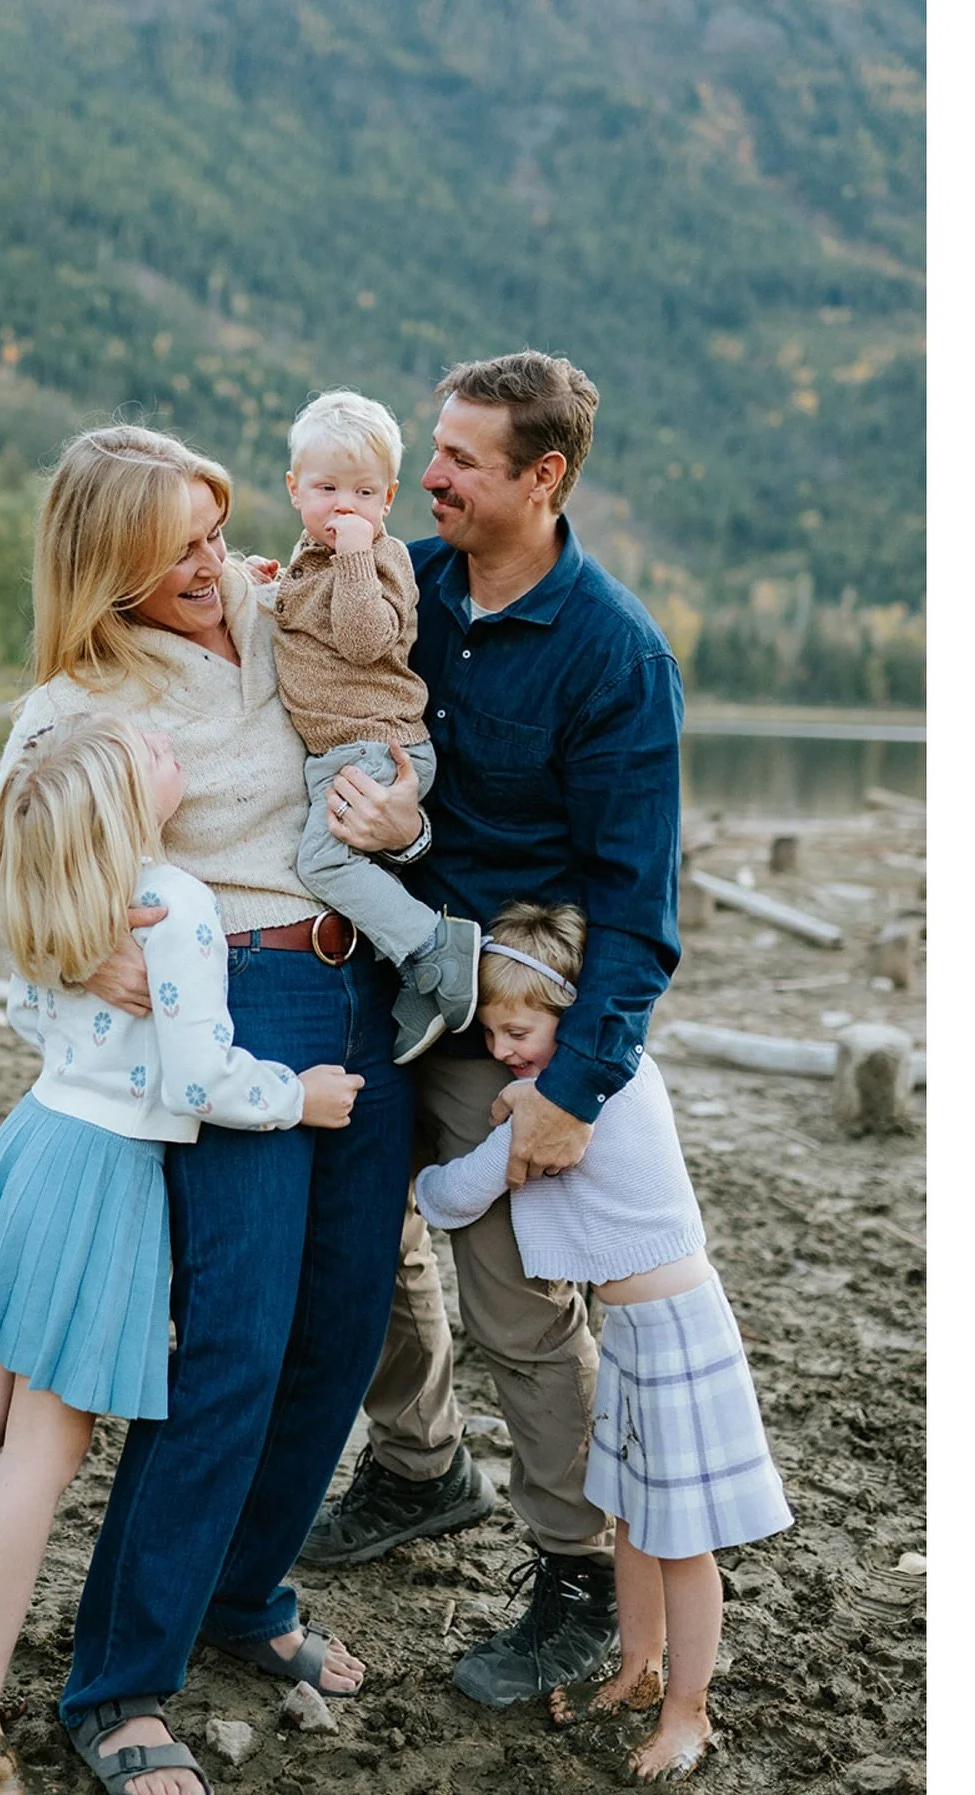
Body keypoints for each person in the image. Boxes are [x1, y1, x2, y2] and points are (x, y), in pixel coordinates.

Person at [0, 427, 416, 1795]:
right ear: (110, 570)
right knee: (231, 1343)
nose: (213, 565)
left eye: (215, 531)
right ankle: (120, 1682)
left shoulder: (283, 604)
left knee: (340, 1328)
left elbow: (377, 681)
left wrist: (399, 829)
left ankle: (246, 1594)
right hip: (232, 1006)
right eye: (180, 550)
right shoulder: (81, 694)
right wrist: (82, 948)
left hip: (359, 987)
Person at [300, 352, 686, 1712]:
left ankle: (576, 1571)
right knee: (368, 1246)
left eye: (464, 457)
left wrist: (575, 1087)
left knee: (522, 1313)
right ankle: (418, 1466)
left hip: (499, 1025)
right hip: (368, 986)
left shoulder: (616, 653)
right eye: (435, 453)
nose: (436, 475)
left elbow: (638, 912)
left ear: (547, 474)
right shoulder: (403, 581)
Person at [0, 713, 363, 1795]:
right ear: (123, 804)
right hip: (98, 1179)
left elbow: (20, 1006)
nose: (163, 743)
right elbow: (199, 1079)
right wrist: (300, 1096)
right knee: (42, 1455)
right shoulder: (174, 901)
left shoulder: (60, 896)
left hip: (30, 1146)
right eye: (141, 747)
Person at [415, 901, 792, 1783]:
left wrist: (433, 1166)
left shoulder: (585, 1094)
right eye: (495, 1032)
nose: (503, 1049)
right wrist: (519, 1087)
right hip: (630, 1329)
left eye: (518, 1030)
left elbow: (457, 1195)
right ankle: (636, 1666)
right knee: (630, 1514)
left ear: (572, 1015)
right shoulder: (567, 1080)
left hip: (676, 1332)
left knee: (681, 1541)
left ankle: (688, 1713)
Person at [271, 389, 480, 1064]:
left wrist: (359, 554)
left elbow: (363, 639)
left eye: (363, 493)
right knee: (337, 862)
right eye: (327, 488)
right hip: (348, 749)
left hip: (376, 744)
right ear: (294, 489)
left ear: (388, 499)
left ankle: (433, 946)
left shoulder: (380, 560)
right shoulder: (311, 559)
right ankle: (421, 975)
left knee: (322, 859)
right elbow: (303, 617)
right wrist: (265, 584)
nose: (344, 507)